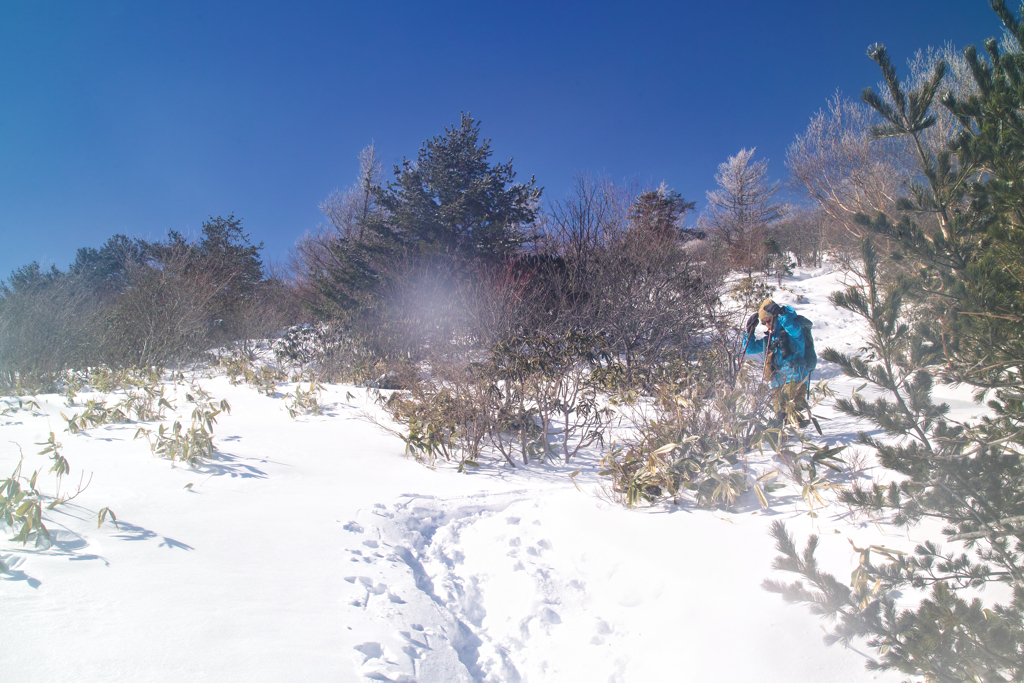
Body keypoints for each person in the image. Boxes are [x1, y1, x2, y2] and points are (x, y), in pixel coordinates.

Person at [744, 298, 810, 427]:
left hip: (795, 377)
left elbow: (793, 328)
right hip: (776, 382)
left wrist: (781, 315)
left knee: (793, 416)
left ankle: (801, 443)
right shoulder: (769, 339)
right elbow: (749, 348)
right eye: (763, 323)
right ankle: (784, 443)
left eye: (768, 321)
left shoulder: (793, 332)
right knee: (780, 418)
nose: (767, 325)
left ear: (775, 317)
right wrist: (750, 332)